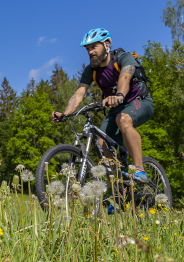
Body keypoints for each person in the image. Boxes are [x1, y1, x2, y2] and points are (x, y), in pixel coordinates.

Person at [51, 28, 153, 182]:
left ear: (107, 45)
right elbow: (79, 94)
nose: (90, 52)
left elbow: (125, 77)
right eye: (87, 49)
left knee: (124, 119)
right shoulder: (91, 70)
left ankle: (139, 169)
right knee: (101, 142)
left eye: (94, 47)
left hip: (139, 100)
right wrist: (65, 113)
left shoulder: (122, 58)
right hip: (116, 109)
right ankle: (118, 187)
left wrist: (118, 95)